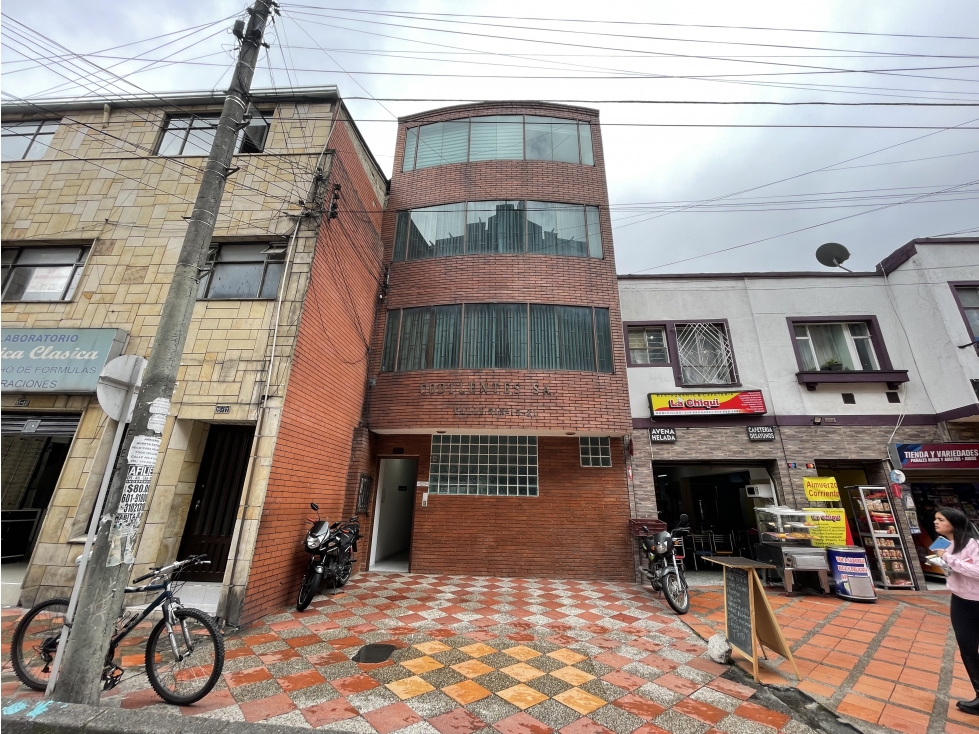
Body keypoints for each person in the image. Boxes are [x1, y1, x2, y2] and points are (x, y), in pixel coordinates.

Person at [933, 507, 979, 715]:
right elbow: (950, 569)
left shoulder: (972, 543)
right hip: (960, 600)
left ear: (954, 522)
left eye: (941, 519)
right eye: (936, 519)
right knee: (967, 648)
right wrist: (939, 560)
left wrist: (948, 559)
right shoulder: (944, 543)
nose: (936, 523)